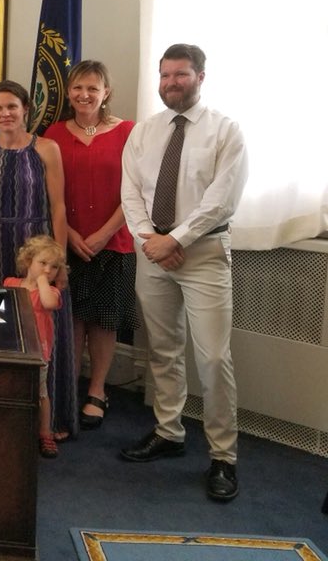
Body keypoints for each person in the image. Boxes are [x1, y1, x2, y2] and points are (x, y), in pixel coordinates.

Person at [120, 43, 248, 503]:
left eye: (181, 74)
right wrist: (150, 241)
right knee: (163, 350)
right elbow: (130, 193)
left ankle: (223, 456)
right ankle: (169, 431)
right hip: (153, 252)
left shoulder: (225, 131)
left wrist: (176, 239)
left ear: (200, 77)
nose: (171, 83)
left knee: (213, 358)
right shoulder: (144, 132)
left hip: (203, 253)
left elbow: (222, 200)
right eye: (165, 75)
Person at [0, 79, 77, 439]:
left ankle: (52, 420)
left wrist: (59, 263)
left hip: (40, 245)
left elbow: (58, 207)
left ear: (26, 109)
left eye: (12, 107)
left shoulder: (47, 148)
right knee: (1, 326)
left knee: (44, 327)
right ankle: (6, 419)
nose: (5, 114)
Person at [44, 61, 139, 430]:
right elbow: (50, 194)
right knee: (71, 318)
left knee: (104, 320)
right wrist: (70, 234)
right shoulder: (54, 133)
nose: (84, 95)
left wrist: (103, 234)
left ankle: (97, 389)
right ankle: (69, 386)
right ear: (68, 92)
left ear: (106, 92)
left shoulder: (128, 132)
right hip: (68, 241)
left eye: (93, 88)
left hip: (113, 242)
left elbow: (136, 192)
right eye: (78, 88)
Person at [4, 236, 65, 458]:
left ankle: (45, 433)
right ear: (28, 261)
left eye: (54, 267)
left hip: (37, 351)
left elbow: (48, 303)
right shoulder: (10, 283)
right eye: (43, 263)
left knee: (40, 393)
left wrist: (41, 280)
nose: (48, 270)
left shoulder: (51, 292)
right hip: (12, 348)